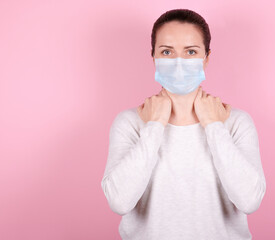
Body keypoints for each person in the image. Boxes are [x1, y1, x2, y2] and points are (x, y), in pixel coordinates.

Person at [101, 8, 266, 240]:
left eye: (191, 52)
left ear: (206, 58)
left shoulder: (235, 122)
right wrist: (155, 125)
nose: (179, 62)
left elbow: (250, 200)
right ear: (153, 57)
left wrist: (213, 126)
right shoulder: (130, 122)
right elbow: (119, 202)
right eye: (167, 51)